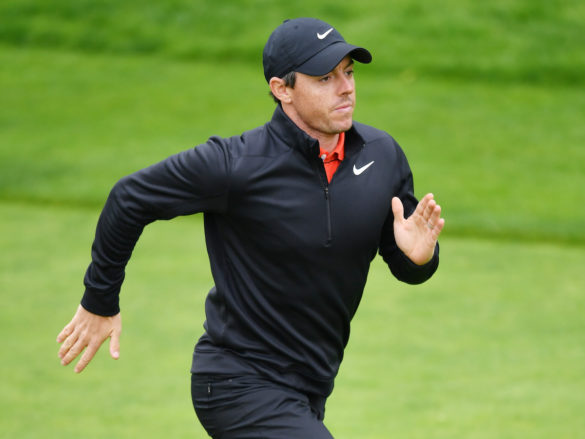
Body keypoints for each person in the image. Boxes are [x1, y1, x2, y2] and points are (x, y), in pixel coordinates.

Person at [57, 17, 445, 438]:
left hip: (309, 390)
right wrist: (100, 300)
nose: (346, 88)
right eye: (325, 78)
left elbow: (406, 262)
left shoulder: (382, 156)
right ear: (283, 90)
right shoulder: (236, 165)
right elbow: (129, 198)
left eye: (349, 73)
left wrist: (419, 259)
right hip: (233, 384)